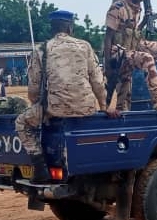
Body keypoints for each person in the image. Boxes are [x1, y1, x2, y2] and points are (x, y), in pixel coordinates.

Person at [15, 10, 111, 183]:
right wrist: (103, 107)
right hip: (86, 108)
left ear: (52, 28)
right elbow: (97, 80)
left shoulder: (41, 50)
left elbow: (34, 88)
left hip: (55, 109)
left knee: (22, 122)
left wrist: (37, 105)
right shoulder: (85, 46)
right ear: (70, 27)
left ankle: (40, 167)